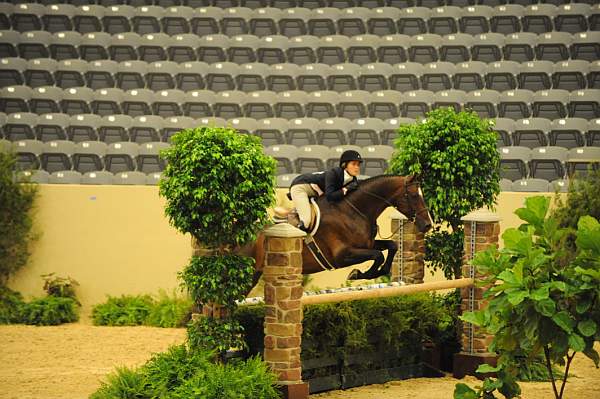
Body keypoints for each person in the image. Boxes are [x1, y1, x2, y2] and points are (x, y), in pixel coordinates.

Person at [289, 150, 362, 231]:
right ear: (345, 165)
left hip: (316, 190)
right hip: (301, 186)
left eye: (358, 165)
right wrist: (346, 189)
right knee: (306, 222)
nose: (357, 167)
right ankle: (288, 224)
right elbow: (330, 197)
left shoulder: (353, 180)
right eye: (354, 164)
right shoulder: (333, 173)